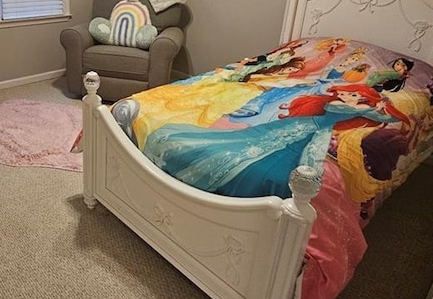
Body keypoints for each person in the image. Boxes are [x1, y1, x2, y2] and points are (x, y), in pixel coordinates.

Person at [142, 84, 407, 200]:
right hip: (302, 127)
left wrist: (381, 107)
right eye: (349, 94)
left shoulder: (353, 109)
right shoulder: (336, 103)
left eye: (355, 96)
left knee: (275, 159)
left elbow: (374, 115)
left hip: (308, 132)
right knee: (253, 141)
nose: (348, 98)